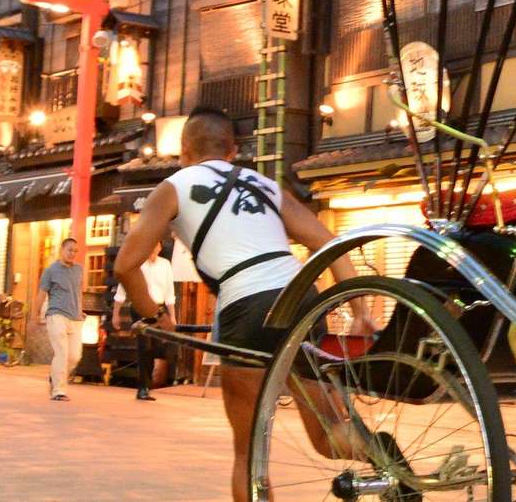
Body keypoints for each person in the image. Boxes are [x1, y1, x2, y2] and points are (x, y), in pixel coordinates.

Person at [113, 107, 375, 502]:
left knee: (249, 452)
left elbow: (125, 265)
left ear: (184, 150)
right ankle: (382, 453)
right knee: (329, 433)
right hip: (302, 298)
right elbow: (328, 242)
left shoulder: (173, 186)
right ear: (233, 150)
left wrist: (155, 315)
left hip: (247, 307)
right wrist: (359, 310)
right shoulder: (266, 186)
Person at [110, 239, 174, 400]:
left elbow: (169, 293)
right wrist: (115, 314)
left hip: (158, 309)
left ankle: (147, 384)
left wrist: (172, 316)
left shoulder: (165, 265)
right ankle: (143, 387)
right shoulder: (137, 264)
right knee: (144, 346)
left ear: (160, 247)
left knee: (155, 347)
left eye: (156, 245)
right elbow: (122, 289)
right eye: (151, 245)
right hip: (140, 308)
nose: (153, 248)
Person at [36, 237, 84, 401]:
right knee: (62, 353)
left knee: (74, 356)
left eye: (75, 251)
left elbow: (78, 292)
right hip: (56, 315)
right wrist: (34, 315)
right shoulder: (51, 271)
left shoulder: (79, 270)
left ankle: (54, 376)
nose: (73, 253)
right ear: (62, 250)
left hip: (76, 318)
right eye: (70, 250)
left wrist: (80, 311)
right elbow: (42, 293)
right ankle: (58, 390)